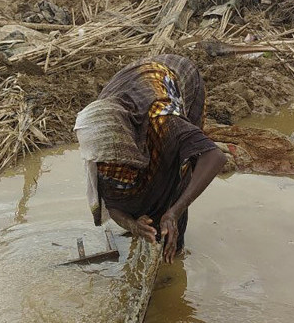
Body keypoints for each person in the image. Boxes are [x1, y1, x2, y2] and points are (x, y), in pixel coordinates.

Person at [75, 54, 226, 264]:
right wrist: (133, 225)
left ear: (127, 143)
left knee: (177, 166)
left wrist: (174, 211)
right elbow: (113, 203)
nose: (110, 167)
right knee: (131, 180)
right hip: (131, 85)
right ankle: (153, 223)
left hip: (177, 77)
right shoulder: (99, 140)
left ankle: (174, 241)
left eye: (116, 162)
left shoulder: (163, 119)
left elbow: (214, 156)